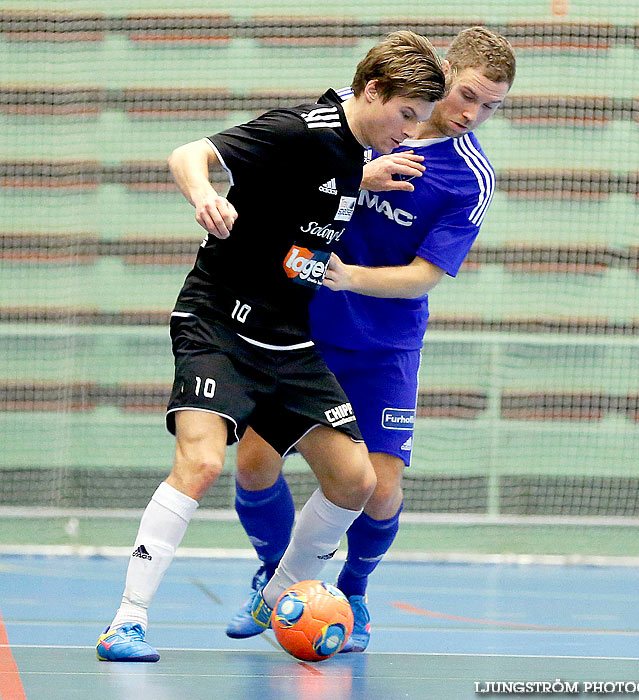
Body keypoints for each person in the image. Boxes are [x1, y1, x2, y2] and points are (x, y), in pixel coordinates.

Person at [95, 30, 446, 663]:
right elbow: (188, 153)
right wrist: (205, 194)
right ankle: (127, 619)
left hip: (287, 340)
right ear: (372, 92)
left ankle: (279, 595)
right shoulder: (296, 131)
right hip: (218, 325)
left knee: (356, 480)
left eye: (421, 121)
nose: (413, 132)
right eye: (406, 116)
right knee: (201, 463)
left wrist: (364, 176)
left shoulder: (351, 155)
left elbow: (317, 189)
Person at [224, 26, 516, 652]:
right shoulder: (361, 128)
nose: (473, 114)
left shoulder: (469, 178)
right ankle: (279, 582)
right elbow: (299, 185)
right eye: (467, 95)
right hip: (301, 330)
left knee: (381, 489)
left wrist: (350, 277)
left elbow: (425, 277)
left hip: (384, 347)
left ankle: (353, 591)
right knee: (252, 463)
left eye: (491, 105)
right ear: (442, 73)